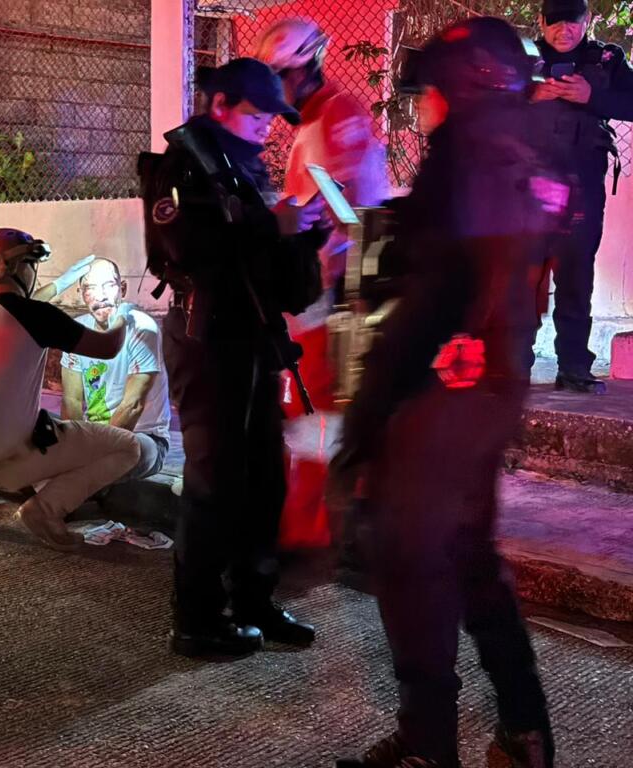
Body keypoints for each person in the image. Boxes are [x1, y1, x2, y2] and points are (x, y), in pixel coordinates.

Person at [327, 18, 557, 768]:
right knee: (465, 552)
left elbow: (452, 288)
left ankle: (429, 745)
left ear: (464, 84)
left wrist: (369, 417)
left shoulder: (472, 152)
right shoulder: (511, 149)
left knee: (410, 559)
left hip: (445, 388)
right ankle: (524, 730)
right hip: (483, 384)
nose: (421, 105)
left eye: (430, 89)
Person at [139, 57, 326, 658]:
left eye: (275, 115)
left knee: (264, 479)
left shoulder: (244, 169)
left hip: (252, 338)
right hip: (206, 339)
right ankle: (195, 618)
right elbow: (187, 248)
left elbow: (267, 264)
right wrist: (273, 225)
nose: (269, 126)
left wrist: (305, 234)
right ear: (220, 104)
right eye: (258, 113)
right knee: (214, 482)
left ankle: (254, 601)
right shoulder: (180, 167)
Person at [255, 19, 391, 549]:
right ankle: (310, 519)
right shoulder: (316, 118)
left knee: (314, 405)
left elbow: (337, 206)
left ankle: (308, 526)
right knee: (309, 403)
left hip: (329, 282)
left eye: (280, 77)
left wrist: (284, 220)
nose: (274, 94)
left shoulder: (336, 115)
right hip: (315, 278)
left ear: (308, 67)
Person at [0, 229, 140, 548]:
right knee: (128, 447)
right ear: (20, 268)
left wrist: (62, 282)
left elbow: (16, 308)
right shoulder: (35, 316)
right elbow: (109, 347)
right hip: (9, 462)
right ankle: (44, 510)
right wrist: (122, 315)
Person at [530, 0, 633, 394]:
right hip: (528, 190)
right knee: (524, 280)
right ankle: (513, 366)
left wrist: (593, 97)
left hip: (581, 190)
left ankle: (573, 366)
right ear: (542, 22)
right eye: (554, 21)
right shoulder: (523, 61)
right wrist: (527, 98)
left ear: (585, 21)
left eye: (572, 20)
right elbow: (484, 109)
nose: (564, 29)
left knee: (576, 278)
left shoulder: (605, 61)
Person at [59, 258, 171, 483]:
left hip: (141, 436)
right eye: (91, 288)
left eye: (108, 286)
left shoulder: (142, 327)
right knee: (37, 431)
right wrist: (74, 446)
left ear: (122, 289)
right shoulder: (77, 331)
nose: (100, 296)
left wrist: (89, 452)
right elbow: (71, 401)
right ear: (81, 293)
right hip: (93, 435)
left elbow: (133, 405)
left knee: (128, 451)